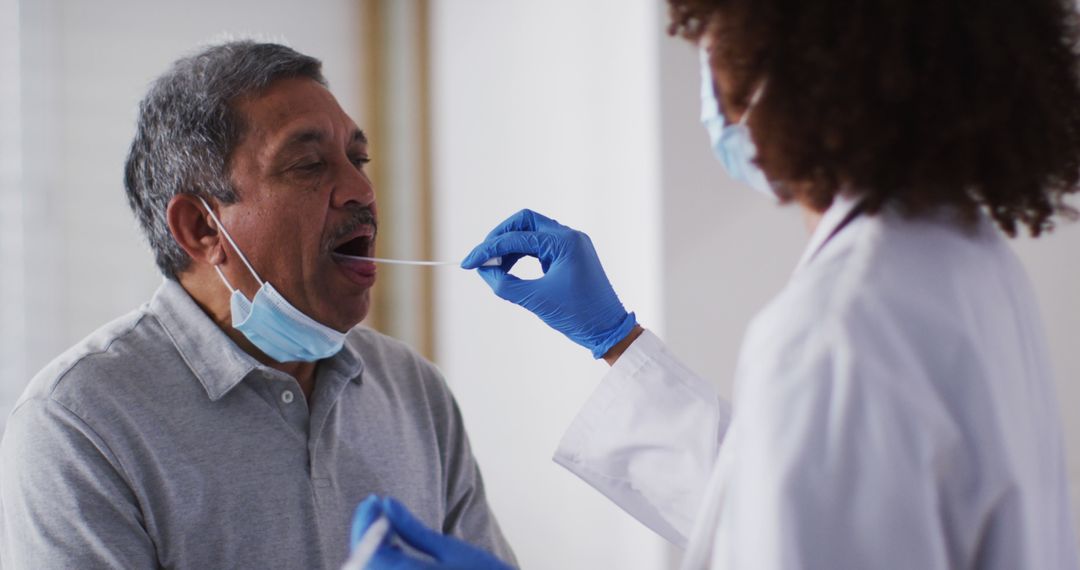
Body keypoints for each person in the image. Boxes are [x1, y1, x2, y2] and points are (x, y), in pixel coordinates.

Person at [349, 0, 1080, 568]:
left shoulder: (840, 329)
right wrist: (616, 340)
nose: (706, 70)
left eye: (715, 38)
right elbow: (783, 512)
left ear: (802, 63)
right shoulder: (965, 258)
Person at [0, 41, 515, 569]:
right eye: (309, 164)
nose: (362, 189)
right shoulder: (77, 424)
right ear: (202, 229)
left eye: (358, 159)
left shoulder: (413, 389)